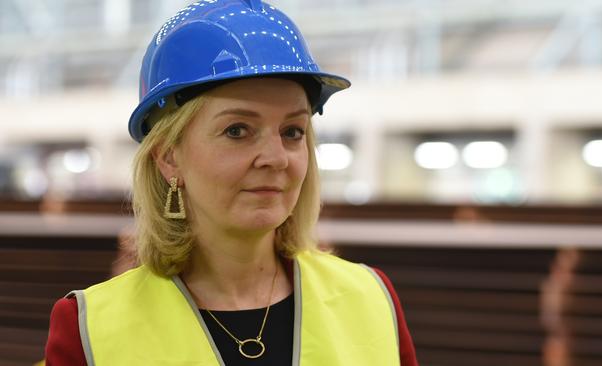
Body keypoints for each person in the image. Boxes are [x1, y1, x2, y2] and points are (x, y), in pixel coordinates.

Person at [44, 0, 418, 365]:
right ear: (169, 157)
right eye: (237, 130)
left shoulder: (371, 299)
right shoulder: (90, 329)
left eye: (292, 131)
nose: (275, 157)